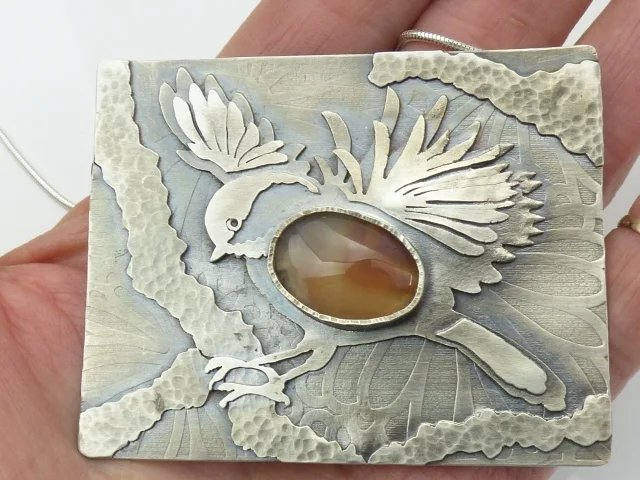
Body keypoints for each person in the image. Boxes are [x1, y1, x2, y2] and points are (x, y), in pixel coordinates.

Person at [1, 1, 639, 478]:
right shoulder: (272, 246)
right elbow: (315, 342)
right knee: (314, 340)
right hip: (358, 319)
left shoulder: (309, 223)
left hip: (428, 299)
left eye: (230, 232)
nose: (225, 249)